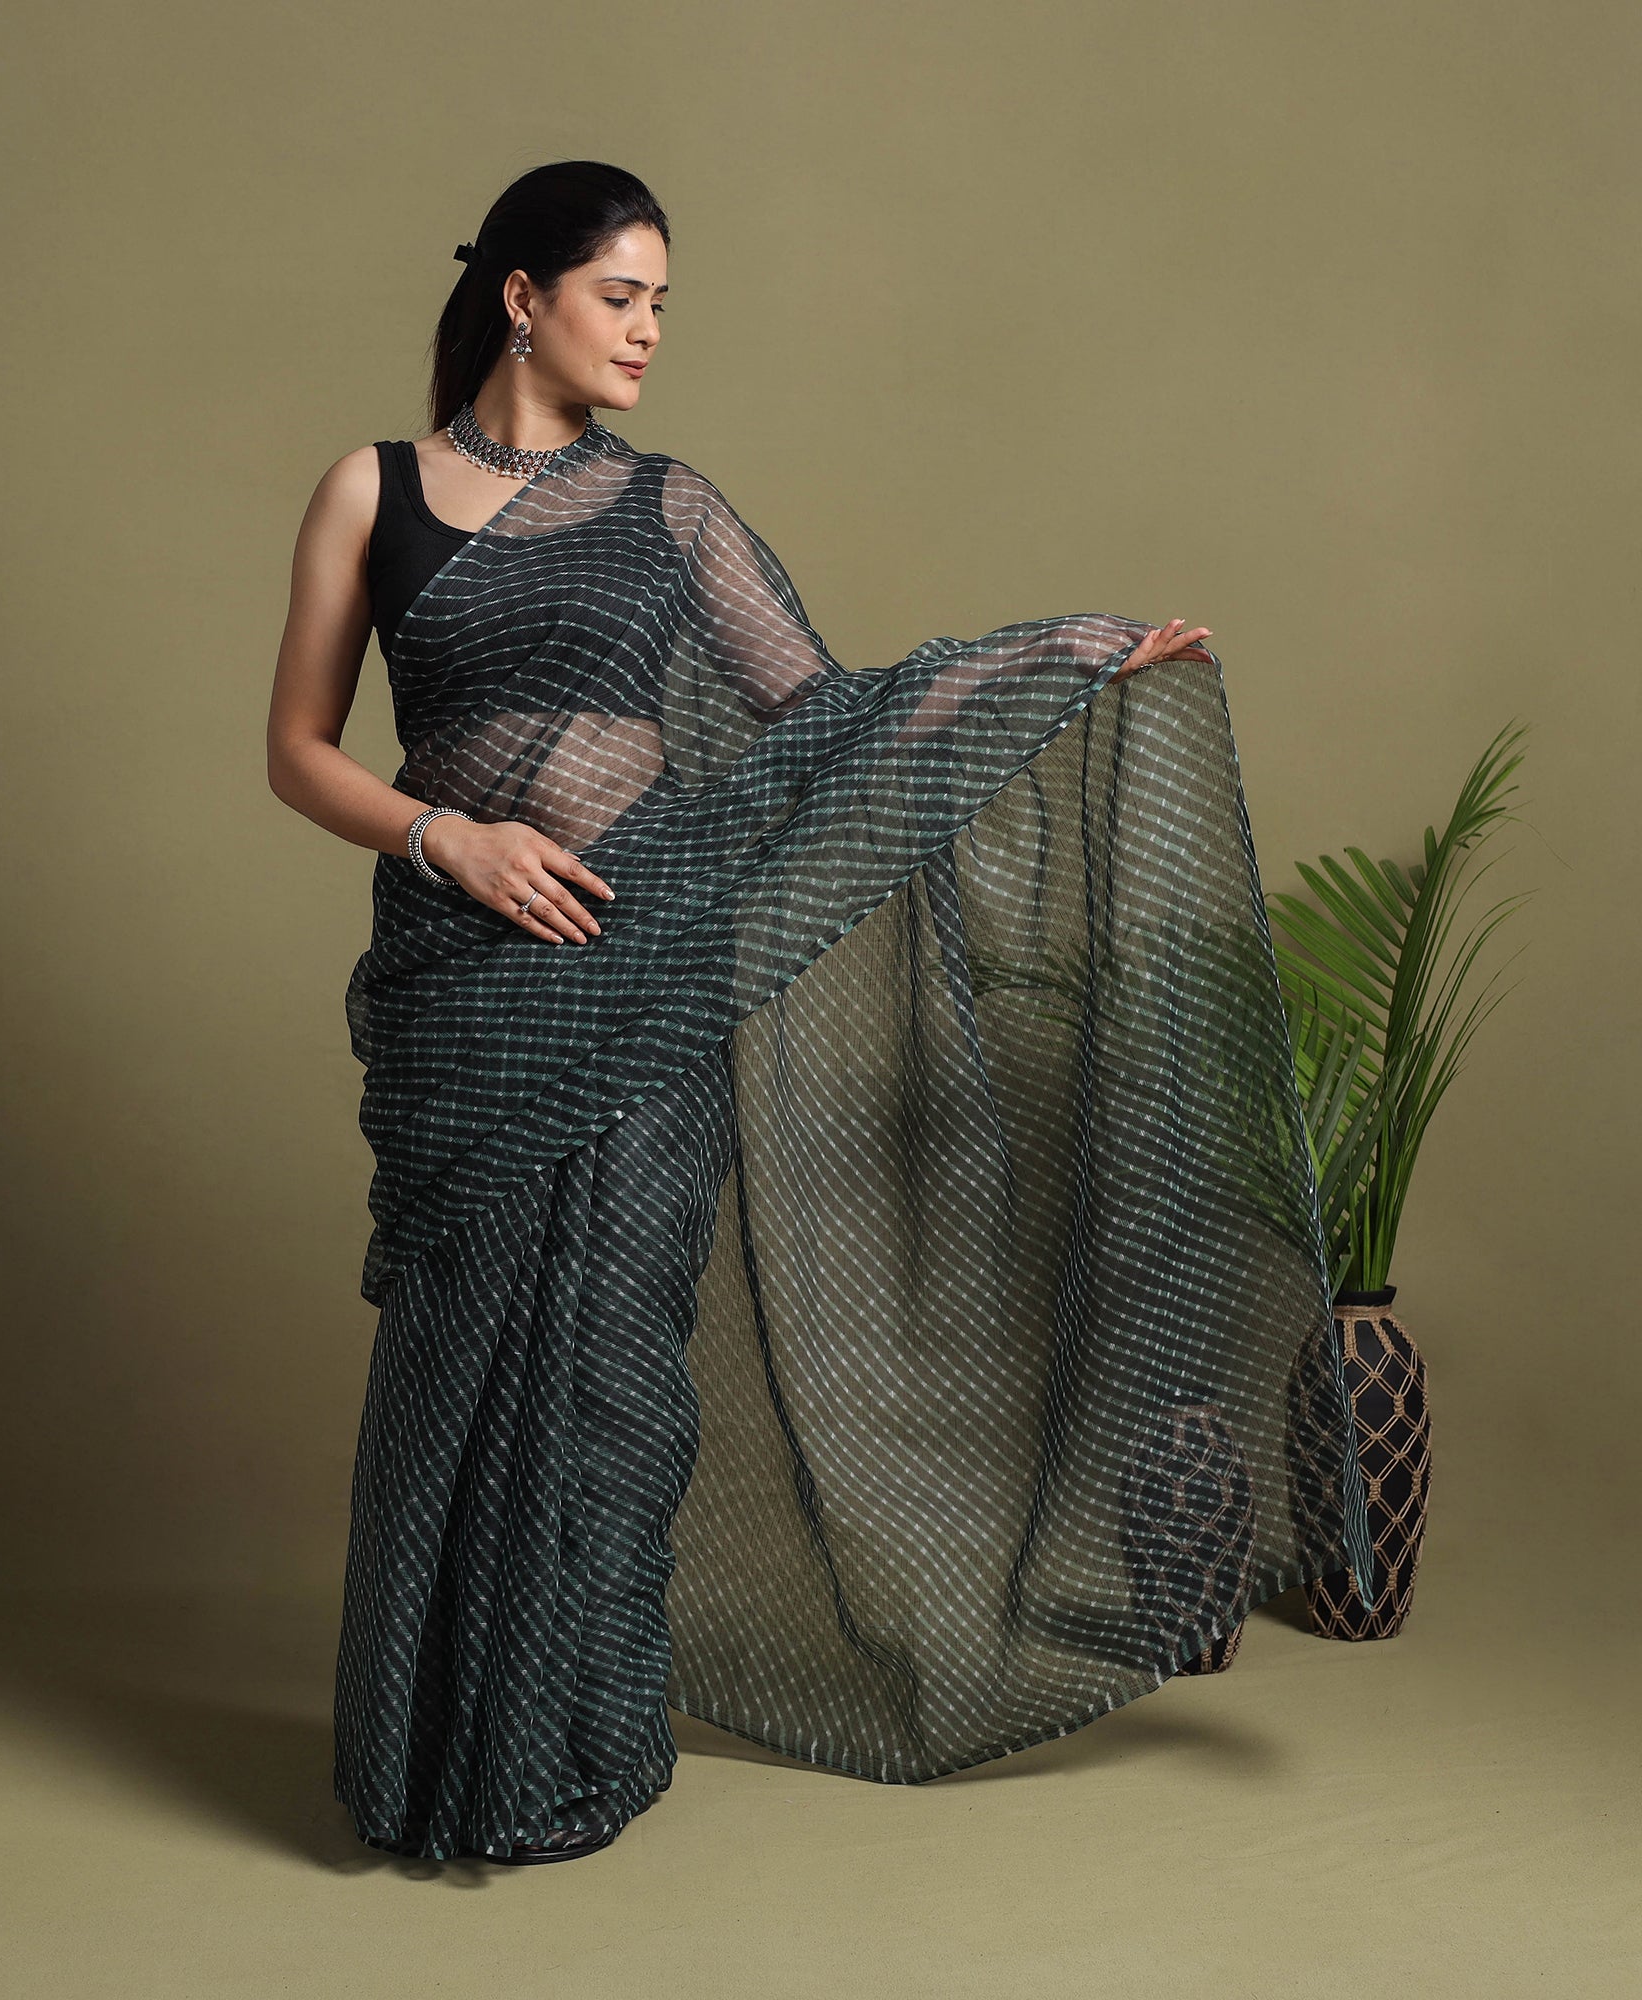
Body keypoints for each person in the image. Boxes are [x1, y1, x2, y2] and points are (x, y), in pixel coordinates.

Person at [266, 160, 1375, 1865]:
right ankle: (430, 1760)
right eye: (621, 296)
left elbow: (830, 715)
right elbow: (297, 749)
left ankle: (576, 1748)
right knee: (455, 1361)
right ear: (522, 297)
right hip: (466, 990)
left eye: (661, 304)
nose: (649, 330)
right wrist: (446, 839)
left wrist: (1058, 659)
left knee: (616, 1367)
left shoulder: (670, 509)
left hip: (646, 978)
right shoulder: (374, 490)